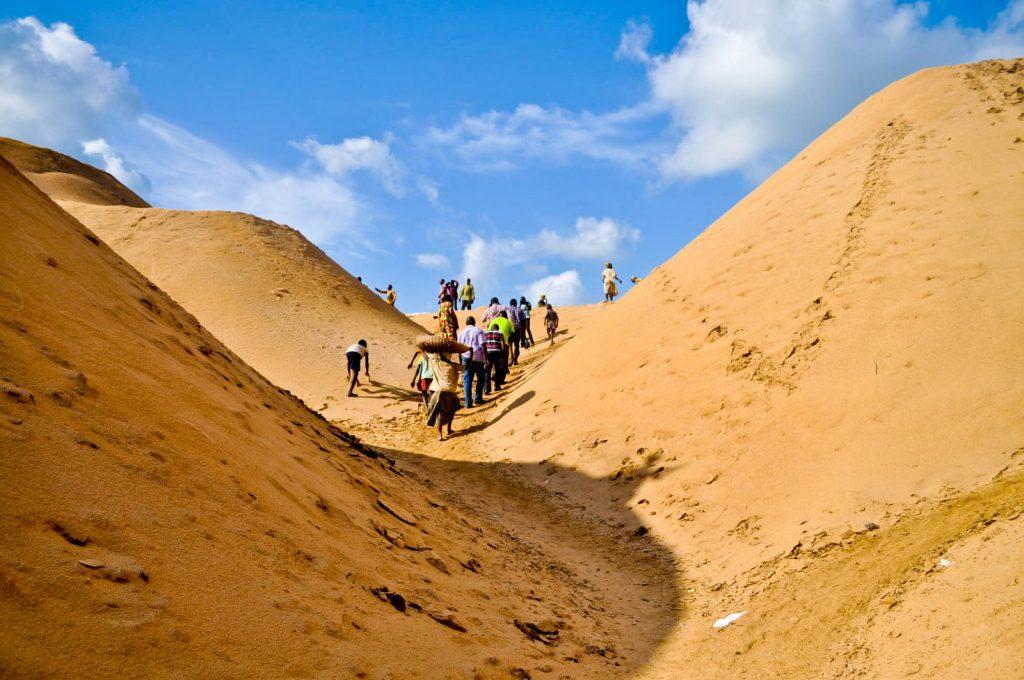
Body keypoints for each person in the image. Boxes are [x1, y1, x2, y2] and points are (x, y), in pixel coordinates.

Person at [424, 351, 461, 441]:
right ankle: (447, 430)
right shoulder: (454, 365)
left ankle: (441, 434)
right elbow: (466, 366)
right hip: (450, 391)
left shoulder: (436, 363)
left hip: (439, 391)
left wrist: (424, 351)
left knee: (440, 413)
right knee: (451, 410)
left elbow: (427, 357)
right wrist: (467, 354)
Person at [457, 316, 486, 407]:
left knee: (467, 380)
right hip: (477, 357)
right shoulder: (478, 330)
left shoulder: (461, 333)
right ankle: (478, 398)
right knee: (481, 378)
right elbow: (483, 345)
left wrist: (461, 360)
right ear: (474, 322)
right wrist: (486, 359)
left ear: (466, 323)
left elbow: (459, 348)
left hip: (465, 357)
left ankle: (468, 402)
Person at [483, 319, 508, 392]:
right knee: (497, 370)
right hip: (497, 353)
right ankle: (497, 386)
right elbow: (503, 343)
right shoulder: (499, 333)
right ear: (498, 328)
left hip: (488, 353)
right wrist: (503, 353)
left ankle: (487, 388)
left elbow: (483, 343)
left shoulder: (486, 333)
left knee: (487, 371)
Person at [507, 298, 523, 365]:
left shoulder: (508, 309)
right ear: (516, 303)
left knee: (510, 344)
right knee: (516, 345)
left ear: (510, 303)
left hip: (510, 329)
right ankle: (515, 360)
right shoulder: (520, 309)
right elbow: (523, 320)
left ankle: (511, 358)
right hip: (518, 328)